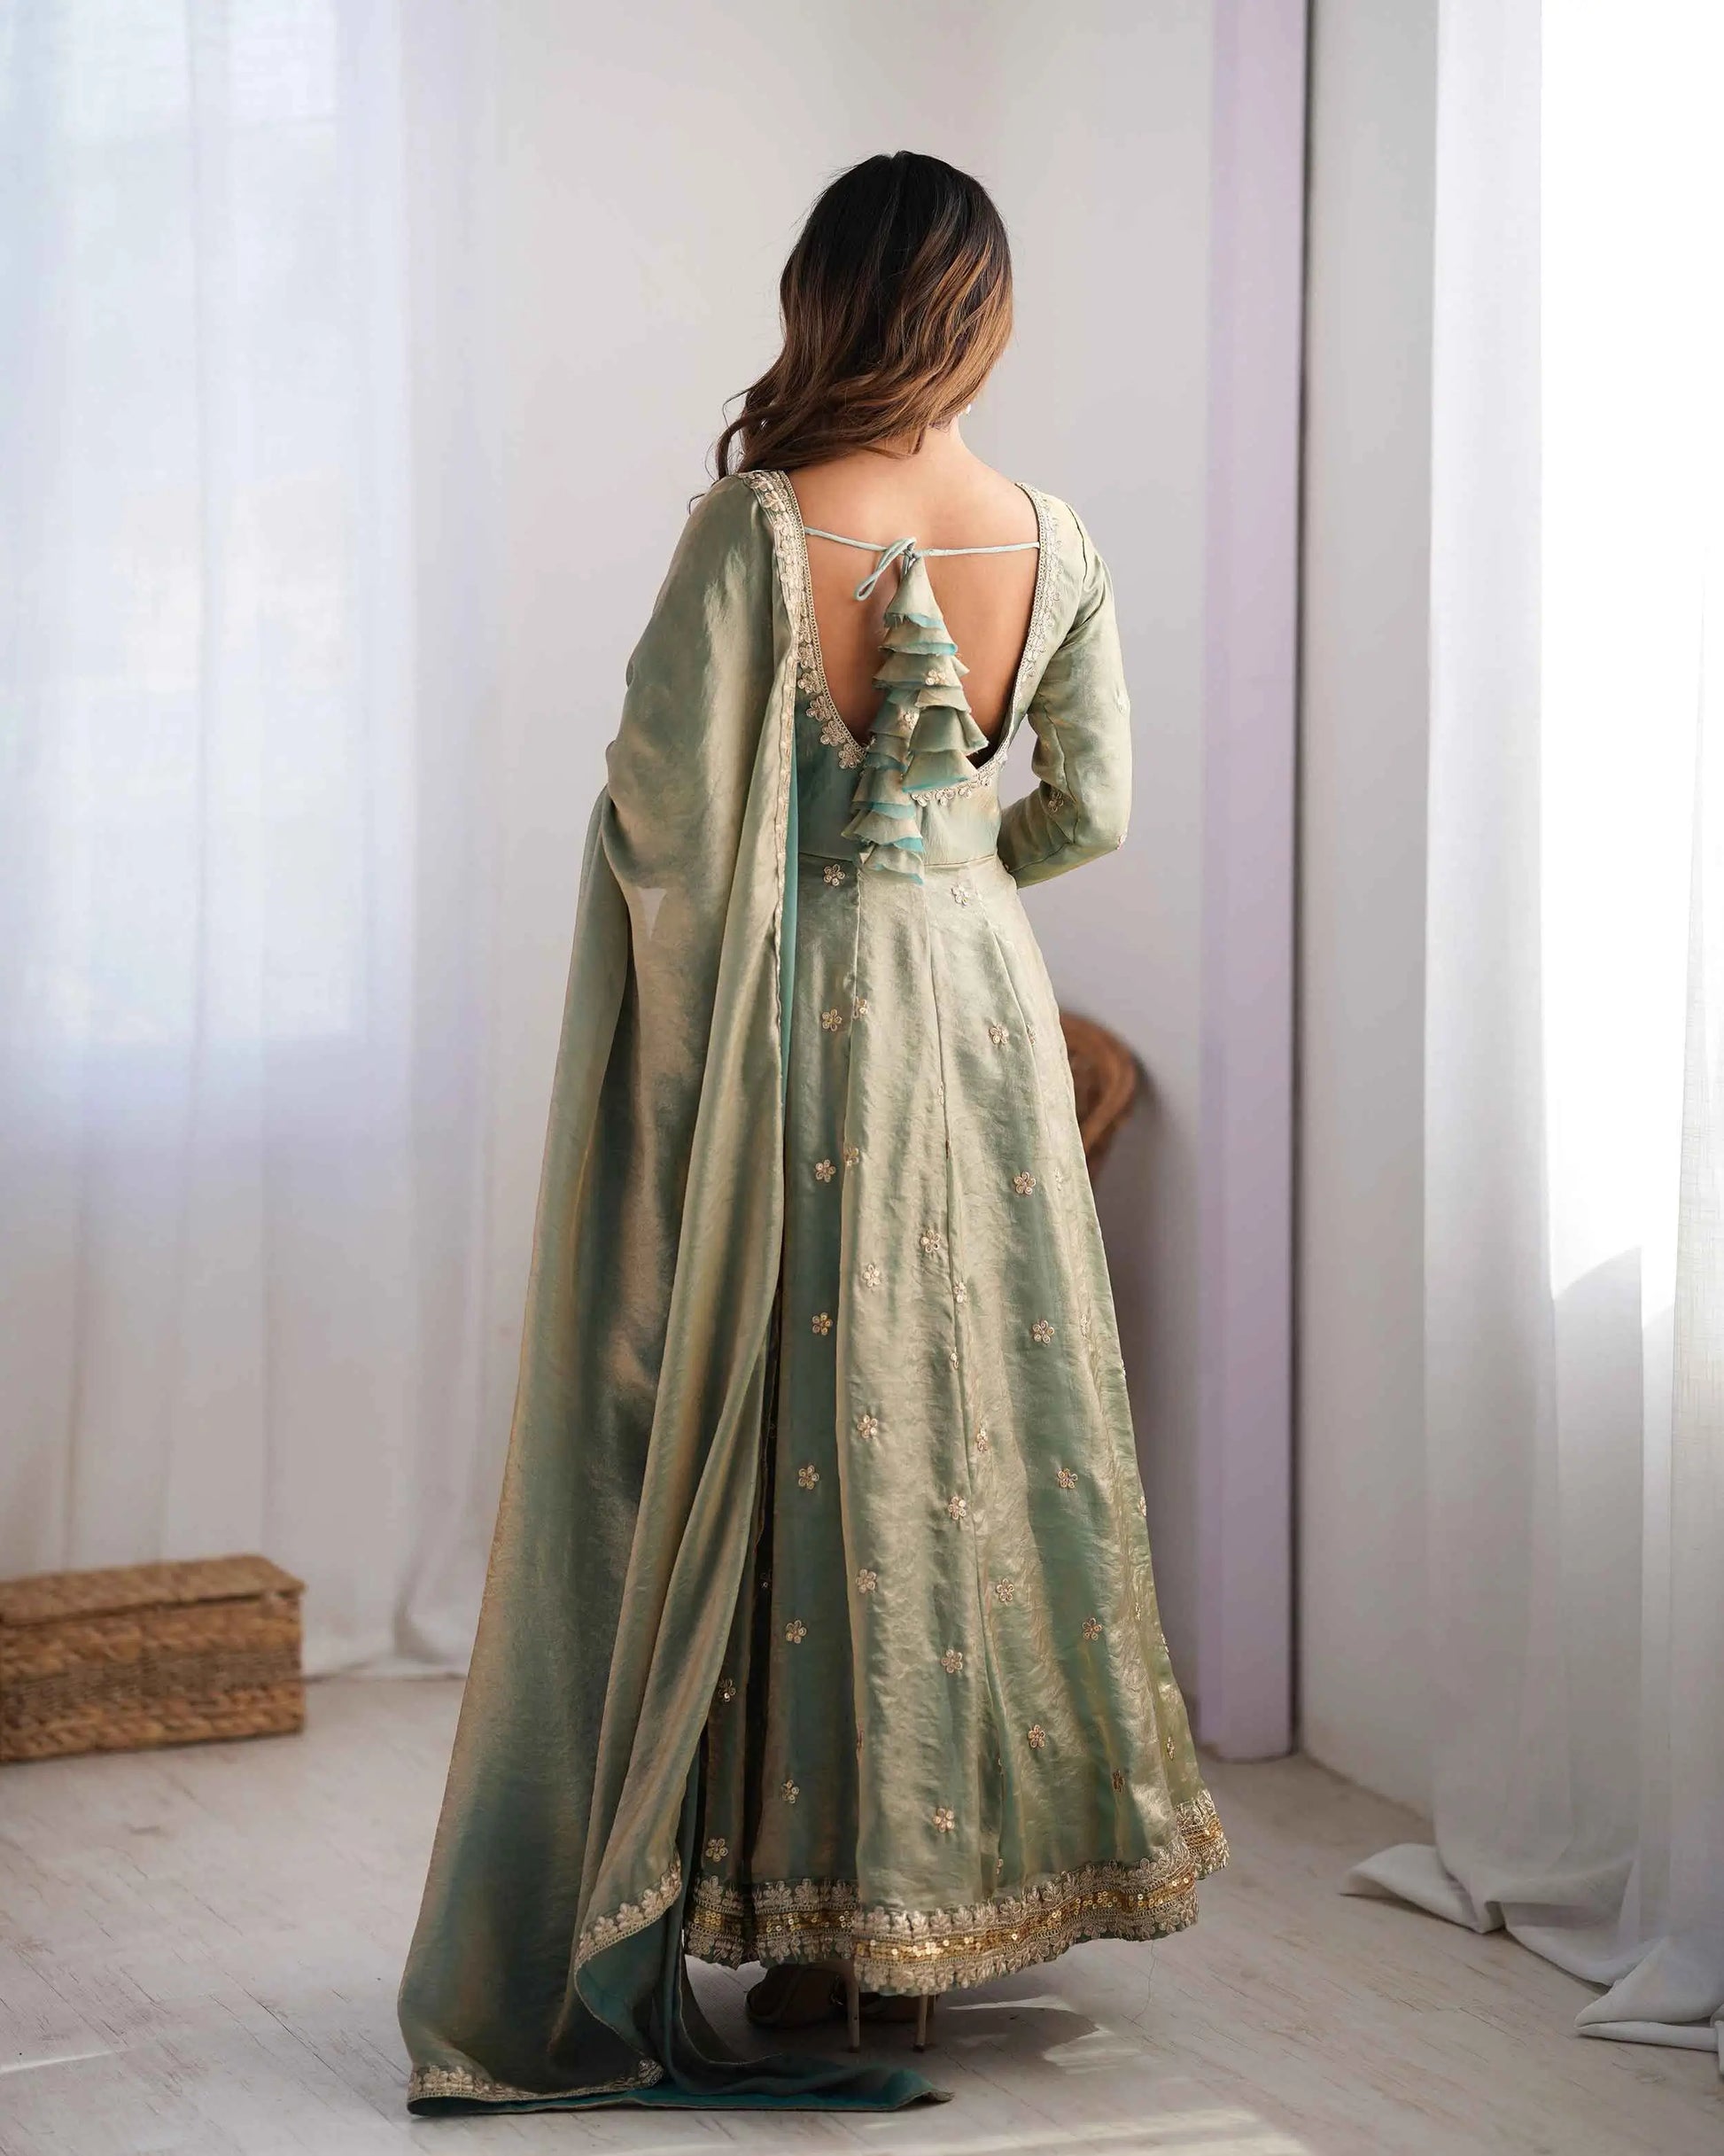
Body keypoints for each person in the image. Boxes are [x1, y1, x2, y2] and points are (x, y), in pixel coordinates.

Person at [399, 148, 1225, 2117]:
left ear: (822, 299)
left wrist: (811, 865)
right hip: (981, 1008)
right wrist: (960, 865)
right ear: (981, 316)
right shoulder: (1050, 537)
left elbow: (660, 819)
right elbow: (1094, 805)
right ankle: (930, 1917)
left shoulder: (757, 529)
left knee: (805, 1426)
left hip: (809, 1019)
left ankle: (821, 1914)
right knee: (977, 1418)